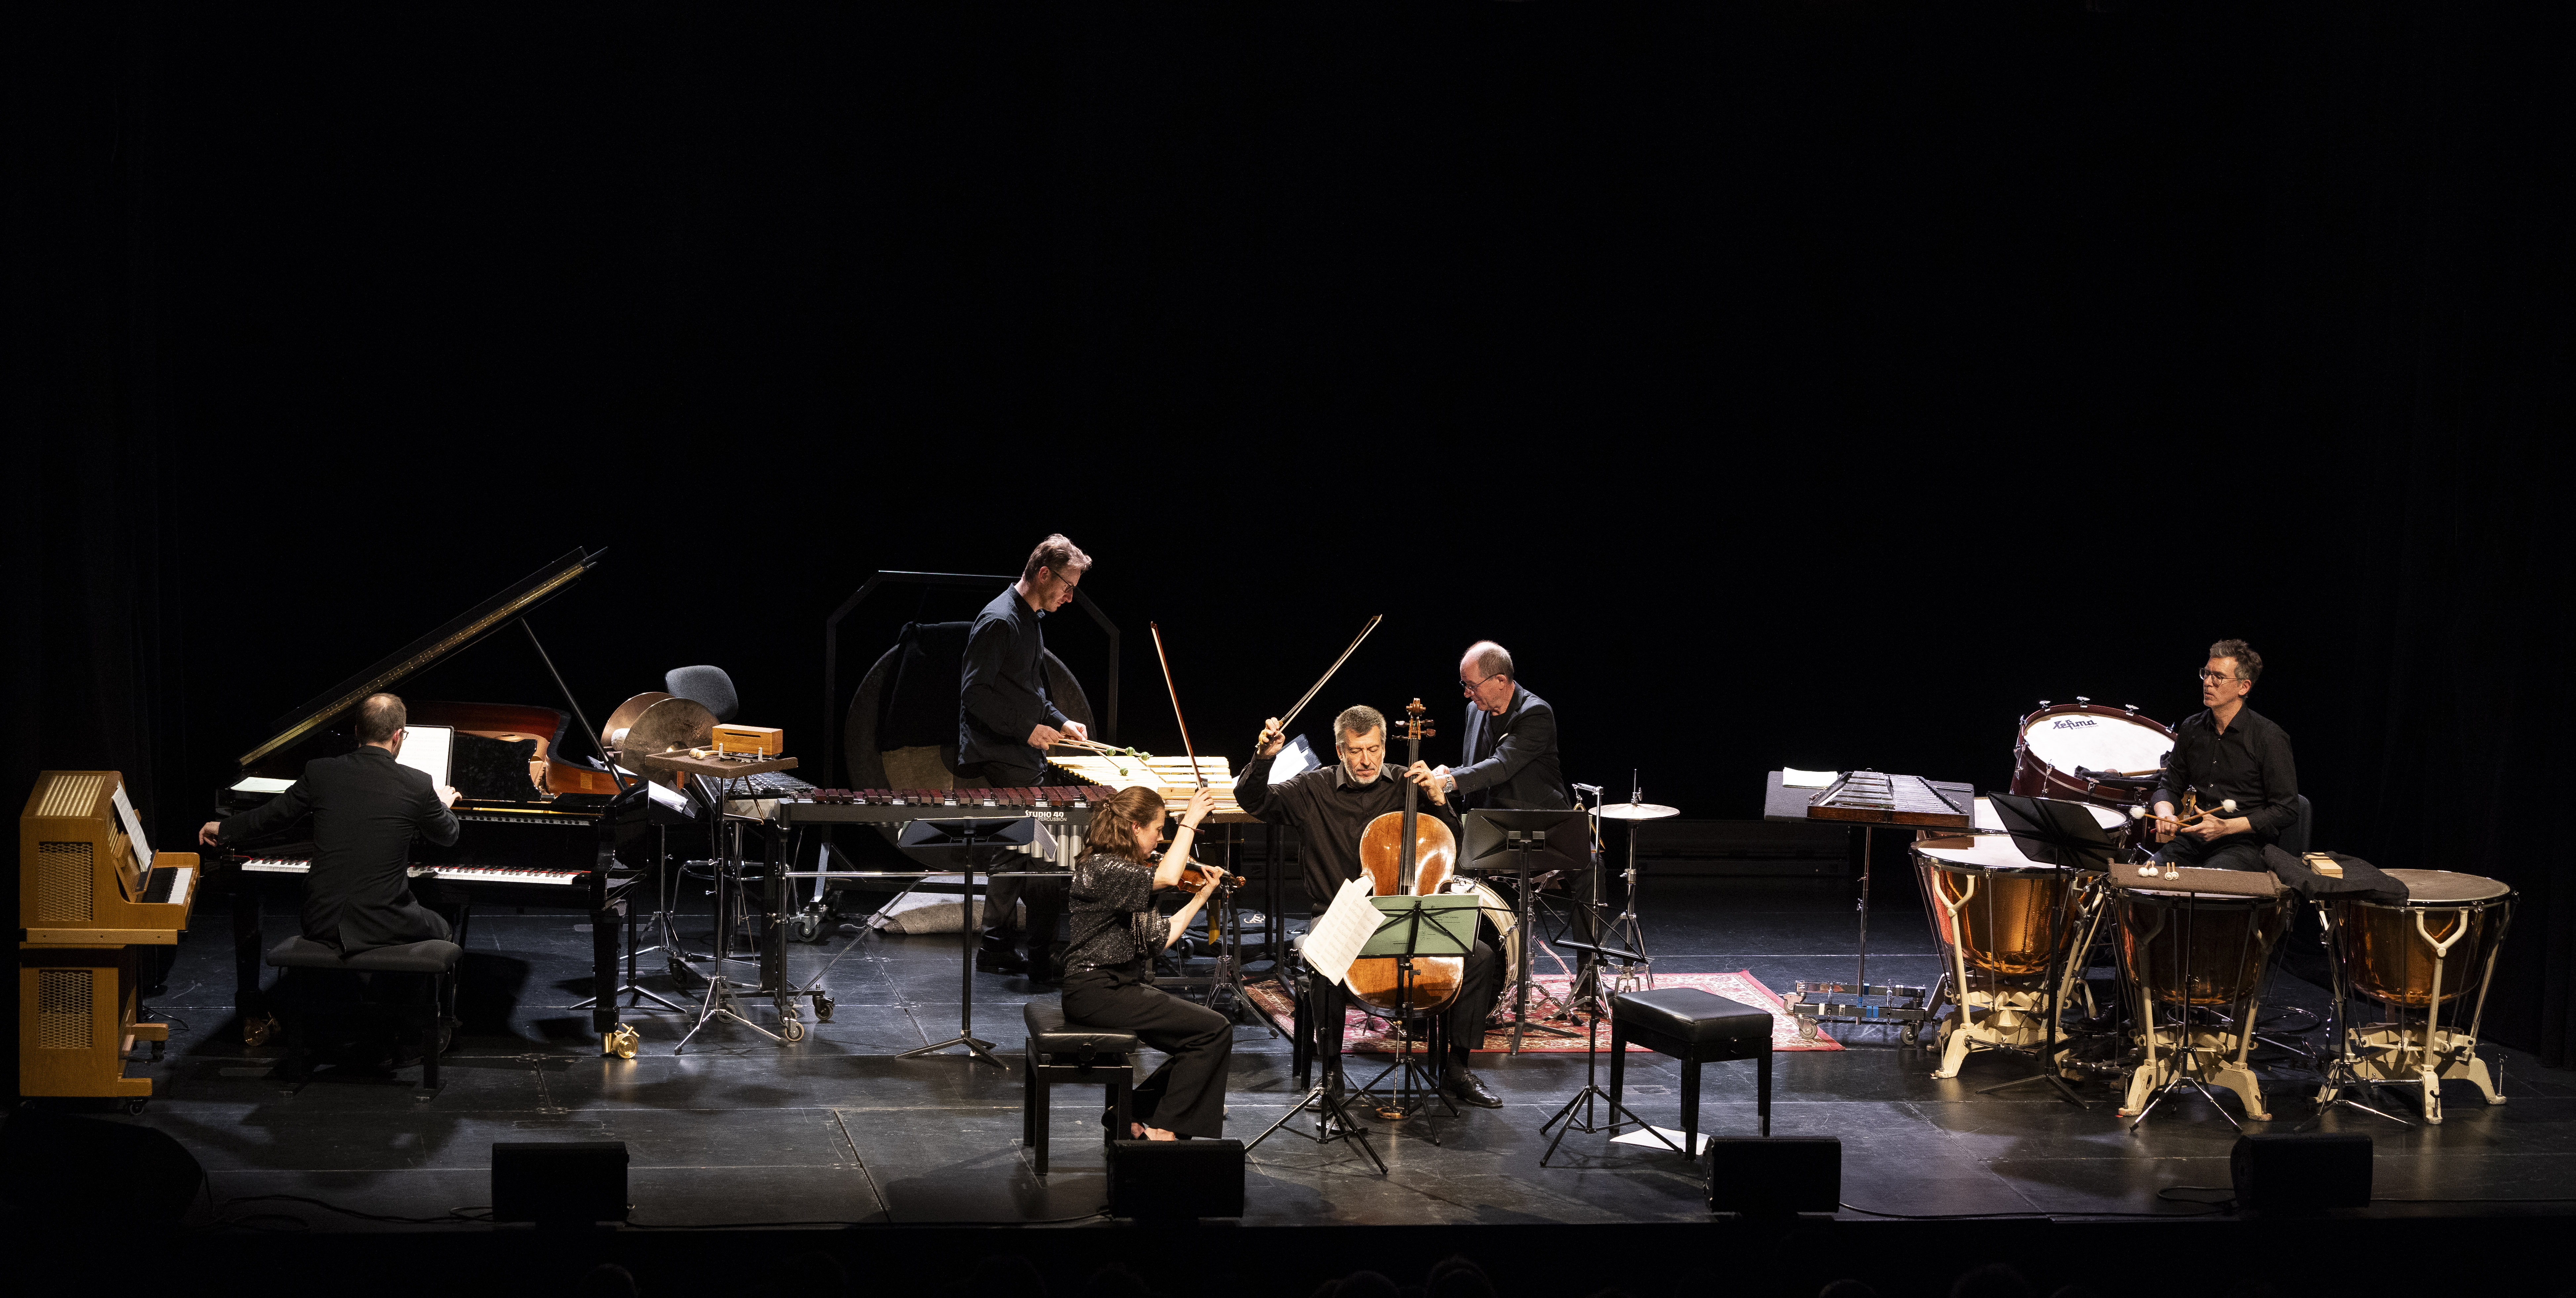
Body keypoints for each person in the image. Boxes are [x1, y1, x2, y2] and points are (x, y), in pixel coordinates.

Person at [1236, 705, 1506, 1109]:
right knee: (1322, 959)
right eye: (1356, 750)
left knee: (1481, 956)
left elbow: (1452, 845)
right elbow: (1252, 800)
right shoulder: (1312, 789)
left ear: (1383, 745)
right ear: (1340, 750)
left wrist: (1438, 799)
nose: (1366, 760)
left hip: (1403, 910)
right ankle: (1331, 1072)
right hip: (1337, 914)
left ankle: (1457, 1069)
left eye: (1374, 749)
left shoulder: (1408, 784)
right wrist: (1262, 758)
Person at [196, 692, 462, 953]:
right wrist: (441, 804)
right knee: (444, 927)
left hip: (321, 920)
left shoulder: (320, 772)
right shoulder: (418, 783)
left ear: (357, 731)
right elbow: (448, 835)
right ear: (398, 735)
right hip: (386, 922)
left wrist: (224, 828)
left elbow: (271, 817)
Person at [1060, 785, 1233, 1140]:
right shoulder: (1102, 868)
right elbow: (1168, 876)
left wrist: (1201, 897)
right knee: (1213, 1031)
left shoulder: (1129, 872)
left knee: (1206, 1035)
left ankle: (1129, 1113)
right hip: (1095, 990)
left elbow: (1158, 939)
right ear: (1135, 827)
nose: (1160, 838)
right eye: (1157, 829)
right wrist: (1189, 822)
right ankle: (1163, 1131)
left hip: (1117, 986)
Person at [958, 533, 1092, 977]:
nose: (1069, 597)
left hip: (1018, 747)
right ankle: (1042, 954)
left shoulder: (1030, 619)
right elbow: (975, 694)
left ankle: (996, 945)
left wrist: (1059, 721)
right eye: (1067, 586)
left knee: (1015, 845)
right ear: (1043, 574)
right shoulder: (999, 621)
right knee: (1043, 848)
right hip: (1000, 750)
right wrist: (1028, 729)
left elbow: (1029, 691)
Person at [1432, 640, 1599, 994]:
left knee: (1591, 867)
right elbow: (1479, 768)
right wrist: (1451, 773)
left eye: (1471, 685)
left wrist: (1449, 782)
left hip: (1540, 827)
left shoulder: (1535, 713)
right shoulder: (1475, 711)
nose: (1466, 693)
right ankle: (1460, 981)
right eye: (1464, 684)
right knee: (1449, 870)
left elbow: (1502, 765)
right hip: (1491, 828)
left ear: (1500, 680)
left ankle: (1587, 982)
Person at [2149, 639, 2299, 872]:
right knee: (2148, 875)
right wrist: (2165, 813)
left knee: (2210, 883)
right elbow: (2169, 785)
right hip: (2194, 840)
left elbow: (2286, 809)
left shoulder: (2269, 737)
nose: (2208, 682)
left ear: (2244, 687)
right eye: (2207, 674)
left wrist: (2226, 828)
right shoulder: (2192, 728)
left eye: (2218, 677)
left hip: (2244, 844)